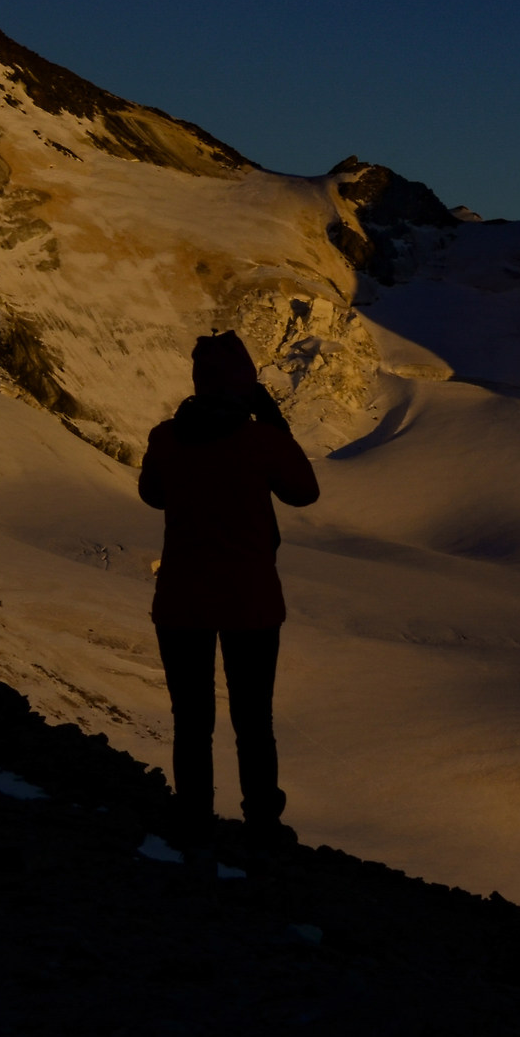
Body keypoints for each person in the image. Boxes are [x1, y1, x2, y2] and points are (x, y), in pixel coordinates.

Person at [139, 332, 319, 852]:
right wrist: (273, 420)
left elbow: (153, 495)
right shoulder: (259, 440)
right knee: (253, 720)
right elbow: (303, 491)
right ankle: (261, 824)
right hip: (250, 602)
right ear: (245, 386)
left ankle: (194, 819)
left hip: (181, 600)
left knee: (191, 720)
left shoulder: (167, 437)